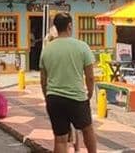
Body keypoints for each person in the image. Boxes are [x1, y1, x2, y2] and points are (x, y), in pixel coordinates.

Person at [40, 13, 98, 153]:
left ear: (56, 27)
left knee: (60, 139)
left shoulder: (46, 50)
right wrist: (89, 93)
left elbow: (43, 80)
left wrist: (47, 96)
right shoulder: (82, 46)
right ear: (70, 26)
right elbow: (90, 77)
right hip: (77, 98)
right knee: (87, 130)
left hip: (54, 98)